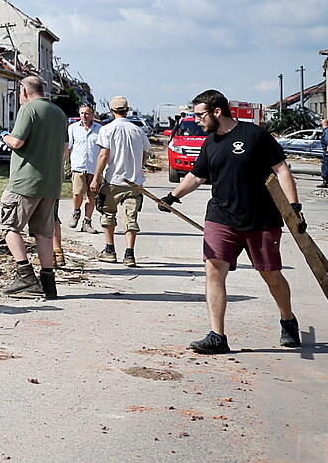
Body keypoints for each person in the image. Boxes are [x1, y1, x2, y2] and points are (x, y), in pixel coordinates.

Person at [163, 89, 303, 354]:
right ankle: (217, 336)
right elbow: (196, 176)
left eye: (200, 115)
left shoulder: (255, 135)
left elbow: (281, 169)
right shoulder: (210, 143)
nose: (197, 120)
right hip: (221, 217)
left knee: (271, 275)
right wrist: (173, 196)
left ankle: (287, 320)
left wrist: (293, 206)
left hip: (260, 218)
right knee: (213, 269)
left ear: (217, 111)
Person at [0, 76, 67, 298]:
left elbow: (17, 142)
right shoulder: (59, 113)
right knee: (43, 233)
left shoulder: (28, 110)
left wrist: (4, 136)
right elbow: (65, 148)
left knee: (8, 226)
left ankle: (26, 276)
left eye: (19, 93)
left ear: (25, 91)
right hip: (51, 183)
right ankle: (48, 283)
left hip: (25, 181)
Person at [91, 96, 149, 266]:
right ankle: (129, 254)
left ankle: (110, 250)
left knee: (108, 214)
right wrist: (137, 169)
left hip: (113, 180)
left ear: (111, 110)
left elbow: (104, 155)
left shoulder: (107, 129)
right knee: (131, 217)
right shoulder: (138, 131)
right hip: (134, 183)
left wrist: (96, 178)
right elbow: (144, 156)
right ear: (127, 110)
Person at [66, 105, 102, 234]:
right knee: (77, 193)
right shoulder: (73, 128)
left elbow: (103, 150)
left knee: (92, 196)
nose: (84, 116)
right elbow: (69, 147)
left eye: (86, 113)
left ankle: (87, 222)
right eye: (82, 113)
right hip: (78, 167)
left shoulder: (100, 129)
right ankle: (76, 212)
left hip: (94, 168)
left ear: (92, 115)